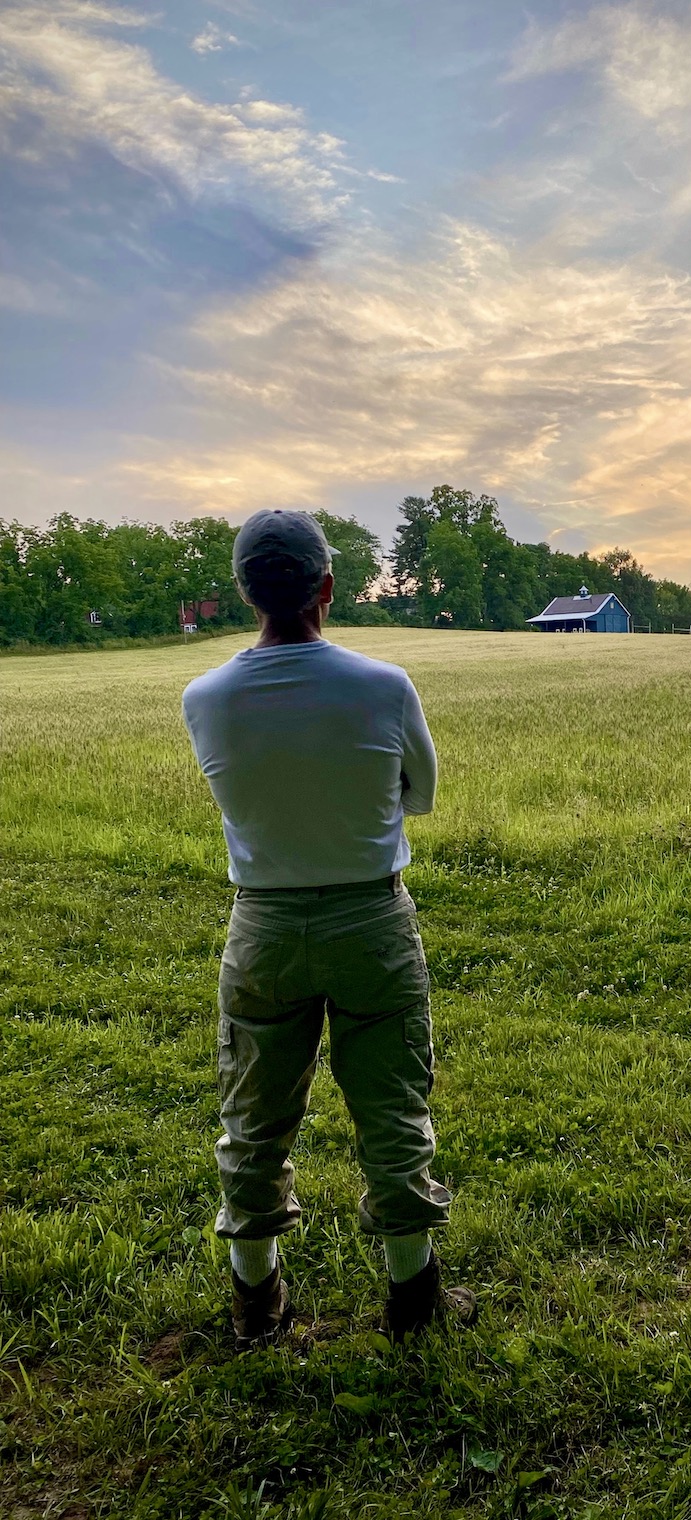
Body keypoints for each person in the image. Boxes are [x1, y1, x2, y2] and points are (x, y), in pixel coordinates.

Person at [181, 508, 475, 1351]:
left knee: (255, 1116)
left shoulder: (205, 698)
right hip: (372, 922)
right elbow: (420, 796)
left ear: (245, 591)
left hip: (263, 928)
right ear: (328, 588)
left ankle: (256, 1301)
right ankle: (413, 1297)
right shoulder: (384, 685)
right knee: (391, 1108)